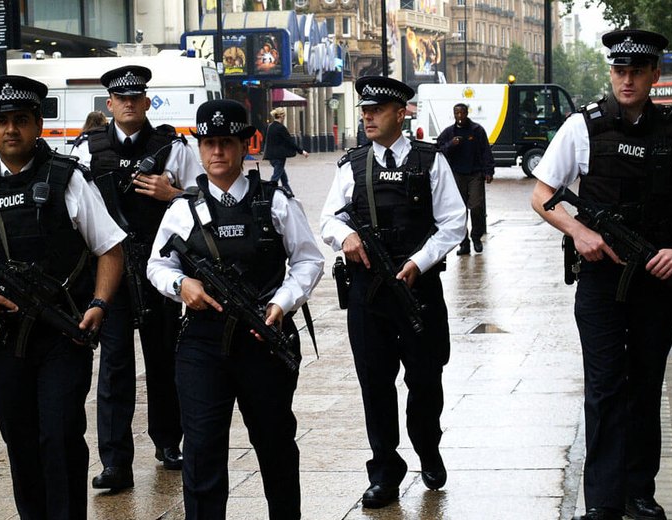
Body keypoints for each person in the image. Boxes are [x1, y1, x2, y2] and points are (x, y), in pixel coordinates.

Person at [531, 30, 672, 520]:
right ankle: (601, 500)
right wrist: (579, 232)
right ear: (611, 74)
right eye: (620, 71)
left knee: (646, 383)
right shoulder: (583, 127)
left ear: (655, 76)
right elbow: (542, 195)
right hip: (599, 279)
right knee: (604, 386)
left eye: (638, 71)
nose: (628, 79)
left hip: (656, 279)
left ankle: (640, 492)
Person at [0, 75, 125, 518]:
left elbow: (111, 248)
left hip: (62, 334)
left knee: (57, 436)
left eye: (21, 119)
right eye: (2, 121)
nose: (11, 129)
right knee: (19, 440)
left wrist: (98, 303)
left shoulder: (67, 179)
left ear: (38, 124)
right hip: (0, 339)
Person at [146, 99, 324, 519]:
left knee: (275, 443)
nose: (217, 152)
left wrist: (281, 303)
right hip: (203, 344)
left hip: (264, 338)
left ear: (245, 146)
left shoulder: (274, 202)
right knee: (203, 449)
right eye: (208, 143)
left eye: (227, 142)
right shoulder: (182, 208)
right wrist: (181, 284)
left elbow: (308, 260)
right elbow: (157, 264)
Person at [320, 76, 466, 509]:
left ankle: (427, 446)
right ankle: (384, 469)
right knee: (375, 383)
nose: (367, 116)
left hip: (418, 287)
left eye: (377, 110)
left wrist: (419, 262)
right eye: (364, 110)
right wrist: (345, 236)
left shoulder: (429, 160)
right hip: (368, 291)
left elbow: (455, 222)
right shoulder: (353, 163)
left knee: (425, 378)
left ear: (401, 113)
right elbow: (328, 219)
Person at [71, 65, 202, 490]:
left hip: (158, 268)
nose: (128, 103)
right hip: (110, 271)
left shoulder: (172, 147)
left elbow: (205, 199)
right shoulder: (86, 150)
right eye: (120, 98)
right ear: (109, 104)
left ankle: (168, 442)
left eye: (136, 97)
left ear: (147, 102)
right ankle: (115, 462)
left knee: (164, 358)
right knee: (114, 367)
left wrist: (174, 194)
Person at [437, 103, 495, 255]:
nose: (460, 116)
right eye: (457, 113)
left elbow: (485, 151)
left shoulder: (477, 130)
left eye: (462, 113)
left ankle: (476, 236)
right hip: (456, 174)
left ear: (467, 113)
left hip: (475, 173)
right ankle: (464, 243)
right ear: (454, 114)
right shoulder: (449, 132)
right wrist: (451, 144)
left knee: (476, 206)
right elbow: (438, 148)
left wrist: (489, 171)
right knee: (460, 210)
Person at [262, 107, 308, 193]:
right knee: (275, 179)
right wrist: (302, 151)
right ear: (282, 116)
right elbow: (290, 142)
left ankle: (289, 194)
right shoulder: (281, 128)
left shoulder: (268, 127)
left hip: (270, 157)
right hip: (279, 157)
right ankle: (268, 194)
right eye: (284, 116)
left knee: (284, 178)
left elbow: (264, 140)